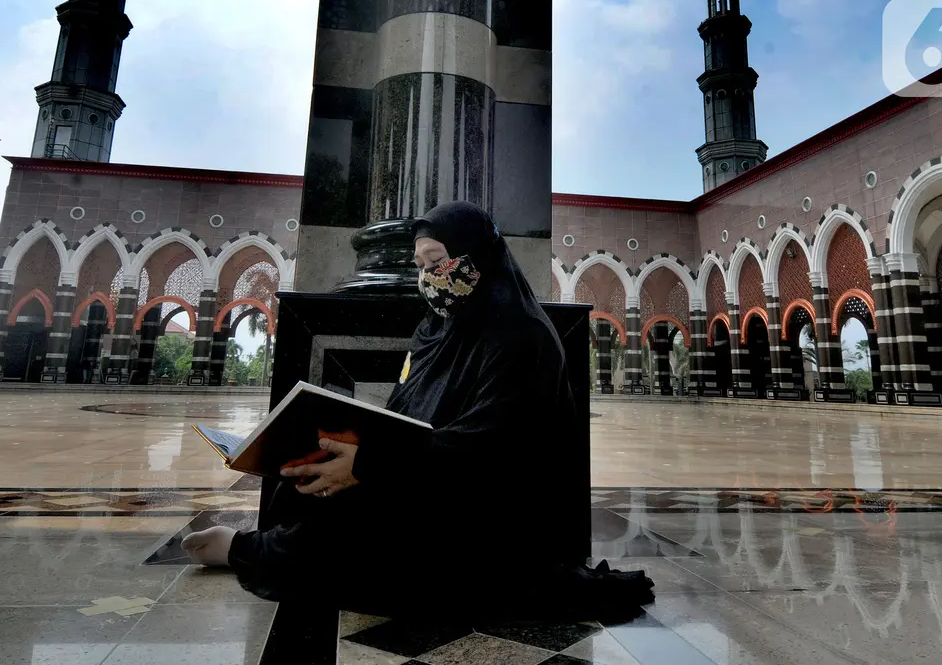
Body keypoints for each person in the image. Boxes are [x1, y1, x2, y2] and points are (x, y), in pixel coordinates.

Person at [182, 201, 654, 618]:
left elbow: (494, 452)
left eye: (436, 260)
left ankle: (247, 551)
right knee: (300, 488)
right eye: (420, 264)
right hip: (428, 479)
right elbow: (404, 421)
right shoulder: (435, 331)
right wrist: (348, 452)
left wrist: (371, 464)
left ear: (479, 257)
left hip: (487, 517)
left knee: (362, 535)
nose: (428, 276)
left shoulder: (522, 337)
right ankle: (270, 545)